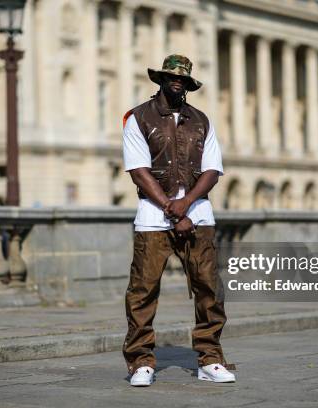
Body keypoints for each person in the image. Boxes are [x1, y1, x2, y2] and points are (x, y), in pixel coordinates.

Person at [121, 54, 235, 387]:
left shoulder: (201, 120)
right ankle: (141, 360)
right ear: (159, 79)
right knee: (142, 291)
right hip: (152, 217)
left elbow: (212, 171)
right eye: (172, 77)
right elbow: (139, 172)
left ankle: (210, 358)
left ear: (188, 84)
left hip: (198, 214)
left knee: (209, 290)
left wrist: (185, 204)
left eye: (183, 79)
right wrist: (173, 209)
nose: (178, 82)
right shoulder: (138, 118)